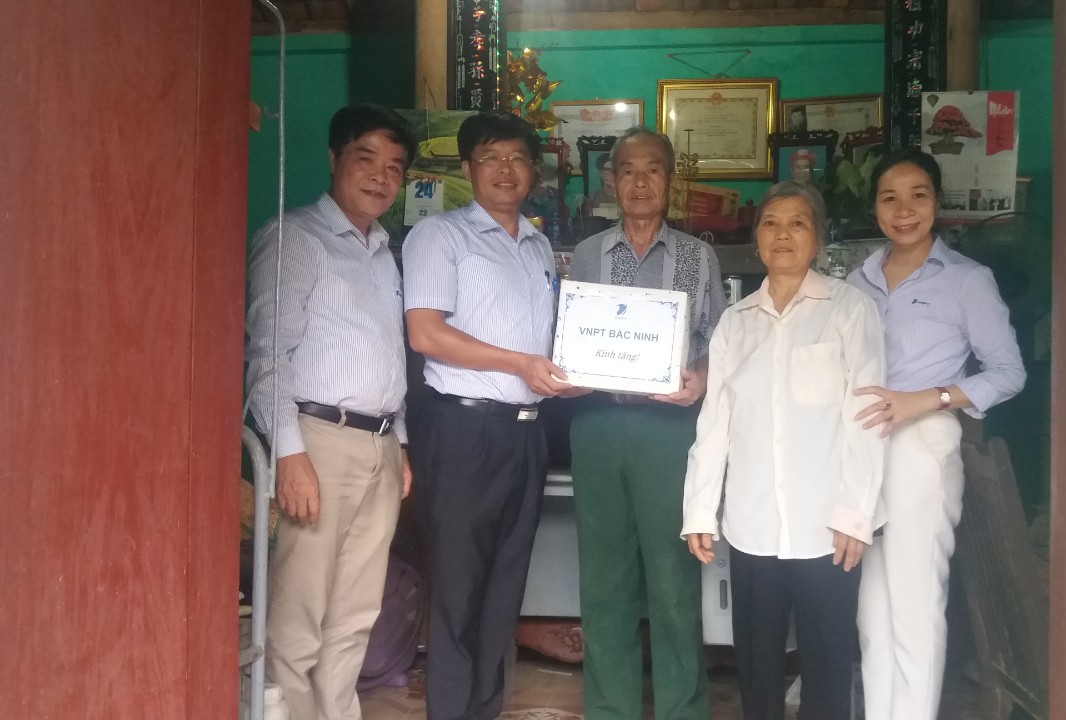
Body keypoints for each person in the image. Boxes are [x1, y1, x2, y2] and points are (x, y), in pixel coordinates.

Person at [682, 181, 887, 720]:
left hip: (827, 527)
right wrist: (700, 510)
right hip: (752, 525)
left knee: (828, 663)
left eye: (798, 223)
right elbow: (715, 423)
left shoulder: (849, 310)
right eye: (771, 223)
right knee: (757, 665)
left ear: (817, 239)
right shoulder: (735, 322)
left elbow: (867, 419)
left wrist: (856, 514)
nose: (783, 234)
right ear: (756, 240)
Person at [401, 110, 580, 720]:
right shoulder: (440, 236)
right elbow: (425, 333)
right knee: (458, 589)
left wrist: (572, 379)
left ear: (533, 171)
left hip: (526, 435)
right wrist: (520, 364)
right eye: (491, 158)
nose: (506, 170)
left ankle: (483, 710)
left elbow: (546, 349)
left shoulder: (538, 247)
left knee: (505, 588)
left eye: (517, 158)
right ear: (468, 167)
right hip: (463, 432)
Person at [245, 103, 416, 720]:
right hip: (318, 441)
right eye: (366, 159)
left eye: (394, 167)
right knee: (300, 611)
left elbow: (387, 356)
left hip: (380, 446)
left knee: (355, 613)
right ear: (333, 159)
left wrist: (400, 444)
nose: (380, 177)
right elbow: (267, 354)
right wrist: (289, 455)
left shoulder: (384, 253)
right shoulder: (295, 238)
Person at [849, 148, 1027, 720]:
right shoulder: (856, 282)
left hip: (923, 445)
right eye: (889, 198)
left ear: (937, 203)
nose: (904, 210)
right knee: (872, 614)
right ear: (875, 208)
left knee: (915, 604)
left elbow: (1009, 373)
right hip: (864, 450)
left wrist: (929, 399)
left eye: (918, 195)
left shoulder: (967, 281)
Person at [568, 126, 726, 720]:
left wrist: (701, 378)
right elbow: (572, 334)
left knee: (672, 579)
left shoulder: (697, 256)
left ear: (670, 179)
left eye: (653, 169)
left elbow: (719, 342)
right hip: (598, 424)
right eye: (628, 170)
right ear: (612, 181)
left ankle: (683, 709)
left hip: (669, 431)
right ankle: (610, 709)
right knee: (604, 579)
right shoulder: (587, 254)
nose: (640, 181)